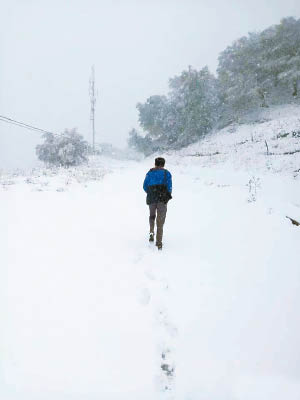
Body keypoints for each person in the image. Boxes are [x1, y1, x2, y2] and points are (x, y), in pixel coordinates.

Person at [143, 157, 172, 250]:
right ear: (163, 164)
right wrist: (165, 196)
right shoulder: (167, 174)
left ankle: (151, 231)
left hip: (152, 198)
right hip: (162, 199)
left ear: (155, 163)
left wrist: (151, 192)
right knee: (160, 219)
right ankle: (159, 242)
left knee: (152, 216)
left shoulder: (150, 173)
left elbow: (144, 186)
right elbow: (169, 188)